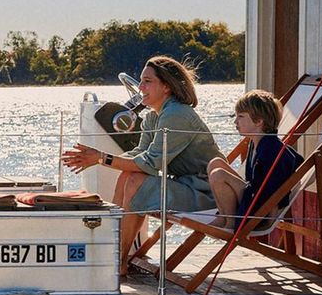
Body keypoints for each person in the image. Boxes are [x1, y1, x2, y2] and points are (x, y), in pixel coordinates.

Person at [62, 56, 222, 274]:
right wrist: (99, 157)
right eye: (141, 81)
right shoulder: (153, 117)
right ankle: (115, 254)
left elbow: (150, 163)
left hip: (207, 195)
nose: (140, 87)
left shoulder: (177, 115)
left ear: (166, 86)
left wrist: (101, 158)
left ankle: (118, 260)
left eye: (147, 81)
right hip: (186, 186)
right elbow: (139, 154)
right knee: (127, 176)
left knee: (136, 180)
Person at [206, 89, 304, 231]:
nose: (235, 121)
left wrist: (270, 213)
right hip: (252, 196)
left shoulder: (271, 148)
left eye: (240, 116)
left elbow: (275, 188)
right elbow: (298, 160)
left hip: (260, 210)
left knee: (218, 174)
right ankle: (223, 216)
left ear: (258, 121)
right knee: (215, 163)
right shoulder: (256, 142)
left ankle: (231, 222)